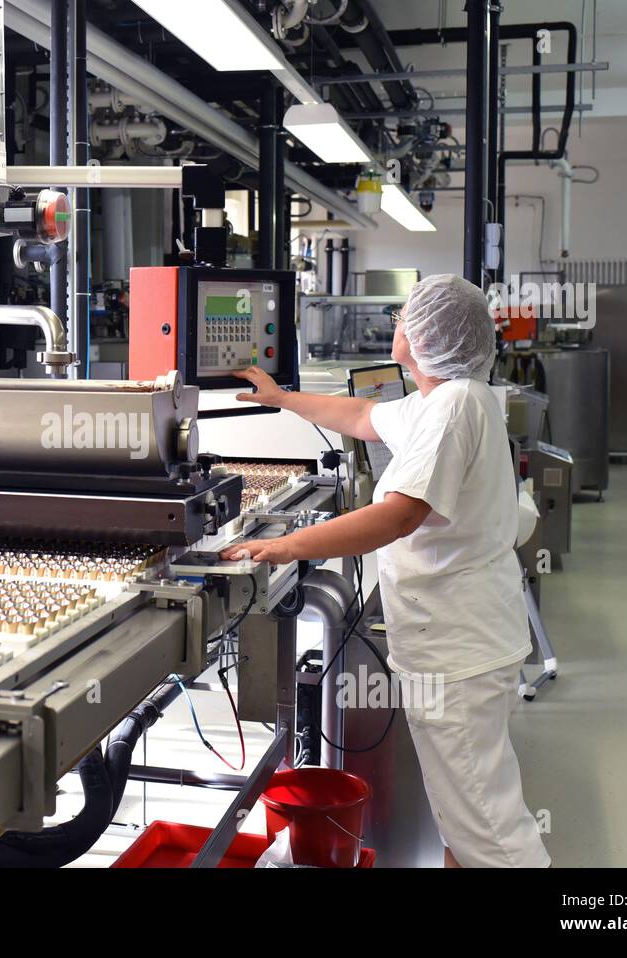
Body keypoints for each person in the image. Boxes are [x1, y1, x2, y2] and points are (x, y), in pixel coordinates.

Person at [223, 273, 549, 869]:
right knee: (465, 817)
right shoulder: (446, 398)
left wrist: (288, 545)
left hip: (460, 654)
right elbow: (365, 416)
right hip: (466, 643)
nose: (397, 322)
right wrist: (281, 398)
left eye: (406, 315)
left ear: (425, 338)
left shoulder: (452, 409)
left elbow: (397, 515)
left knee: (493, 835)